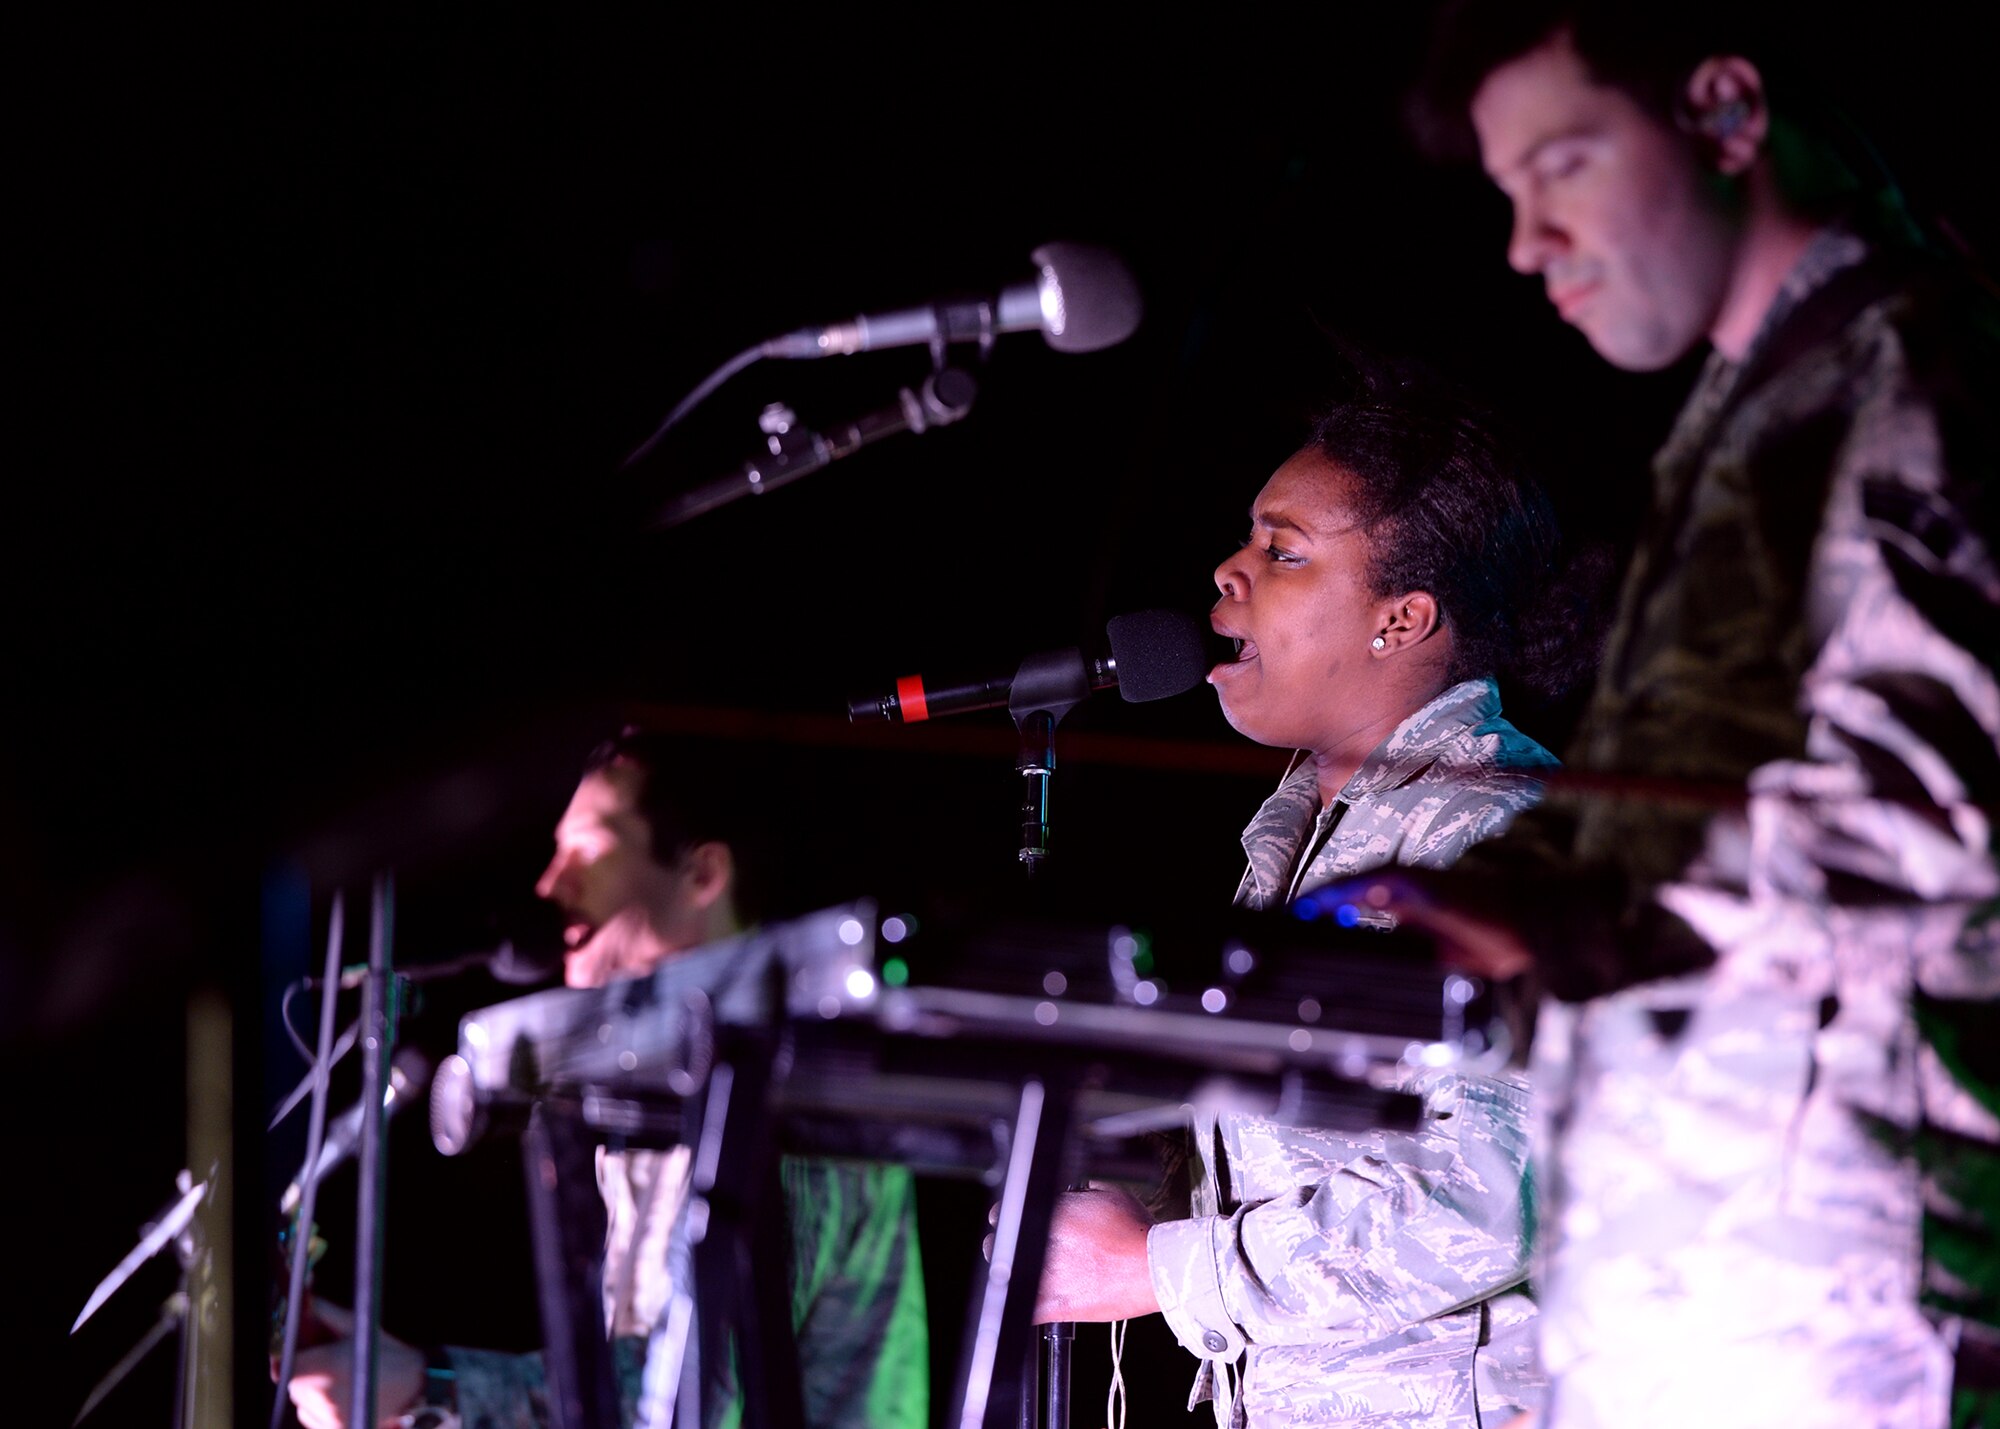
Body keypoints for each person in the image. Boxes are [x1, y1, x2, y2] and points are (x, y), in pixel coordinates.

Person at [1362, 4, 2000, 1424]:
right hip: (1705, 1308)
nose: (1527, 243)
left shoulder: (1913, 376)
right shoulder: (1754, 412)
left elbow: (1929, 839)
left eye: (1565, 166)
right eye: (1509, 194)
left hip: (1847, 1308)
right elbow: (1682, 807)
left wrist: (1566, 927)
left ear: (1722, 109)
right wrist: (1463, 906)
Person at [1028, 362, 1603, 1428]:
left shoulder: (1492, 832)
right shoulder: (1294, 839)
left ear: (1401, 619)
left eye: (1281, 552)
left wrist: (1163, 1273)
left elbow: (1485, 1196)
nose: (1227, 571)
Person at [285, 731, 930, 1429]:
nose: (548, 884)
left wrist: (433, 1390)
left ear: (702, 875)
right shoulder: (651, 1083)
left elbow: (676, 1397)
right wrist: (401, 1375)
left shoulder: (792, 1087)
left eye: (586, 849)